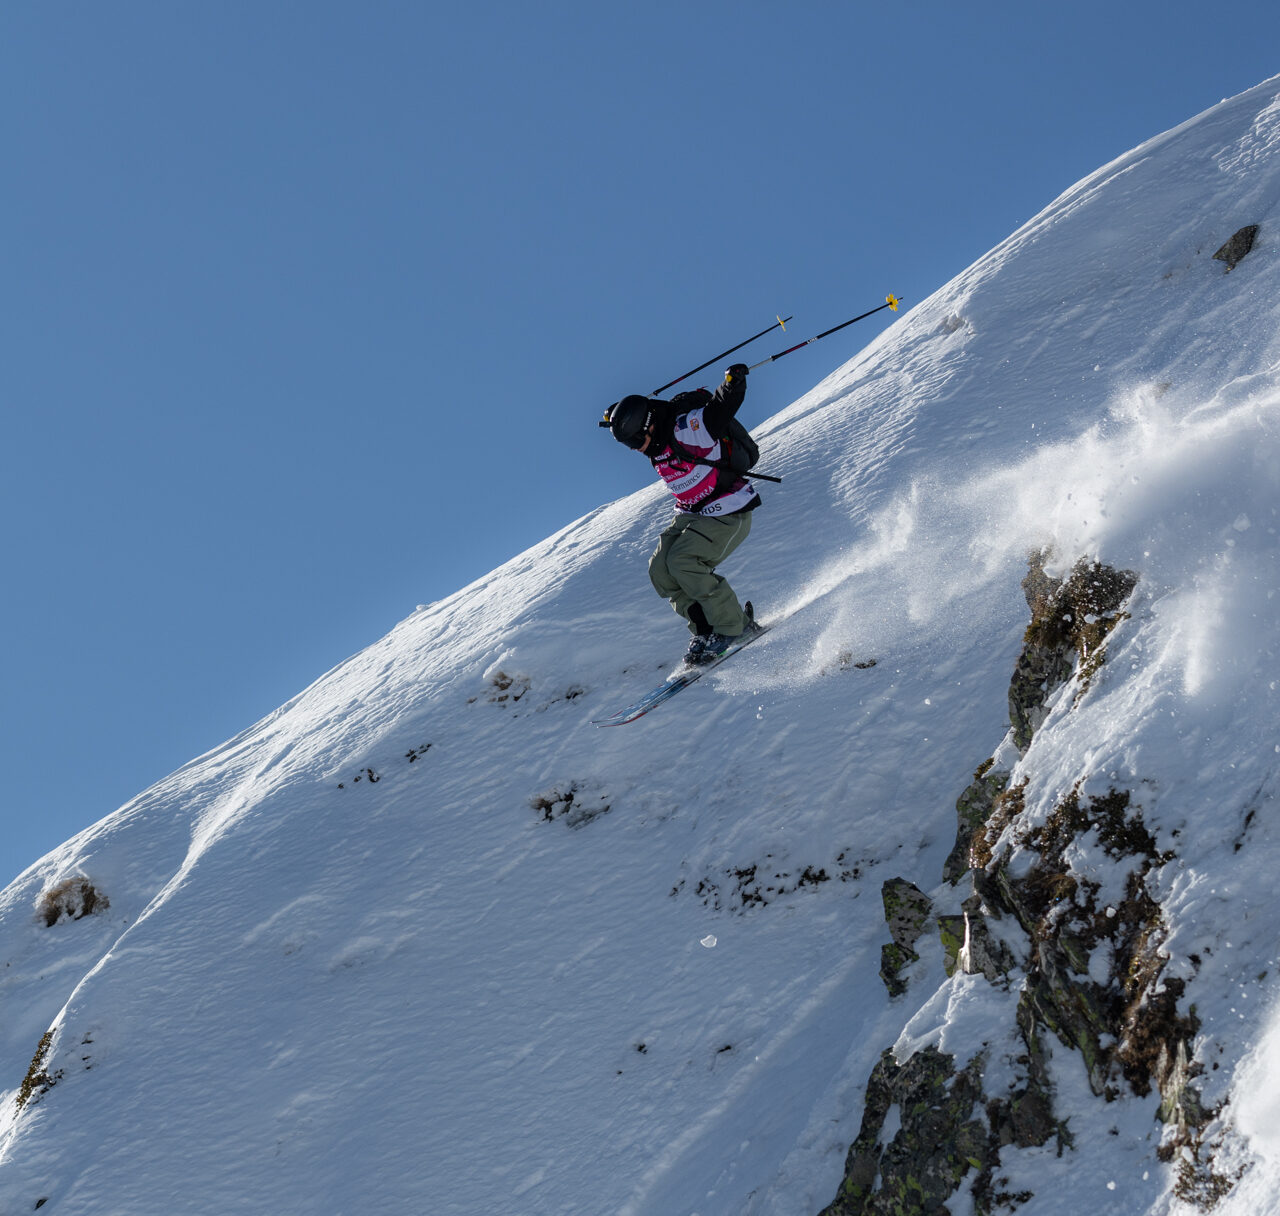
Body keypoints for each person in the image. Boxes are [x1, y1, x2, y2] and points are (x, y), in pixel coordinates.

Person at [605, 363, 763, 665]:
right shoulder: (654, 440)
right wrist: (614, 418)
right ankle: (705, 629)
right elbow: (629, 417)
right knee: (661, 571)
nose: (636, 449)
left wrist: (732, 383)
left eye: (636, 440)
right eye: (629, 445)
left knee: (684, 562)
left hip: (727, 510)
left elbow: (719, 410)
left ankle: (735, 627)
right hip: (693, 512)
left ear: (649, 425)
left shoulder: (687, 429)